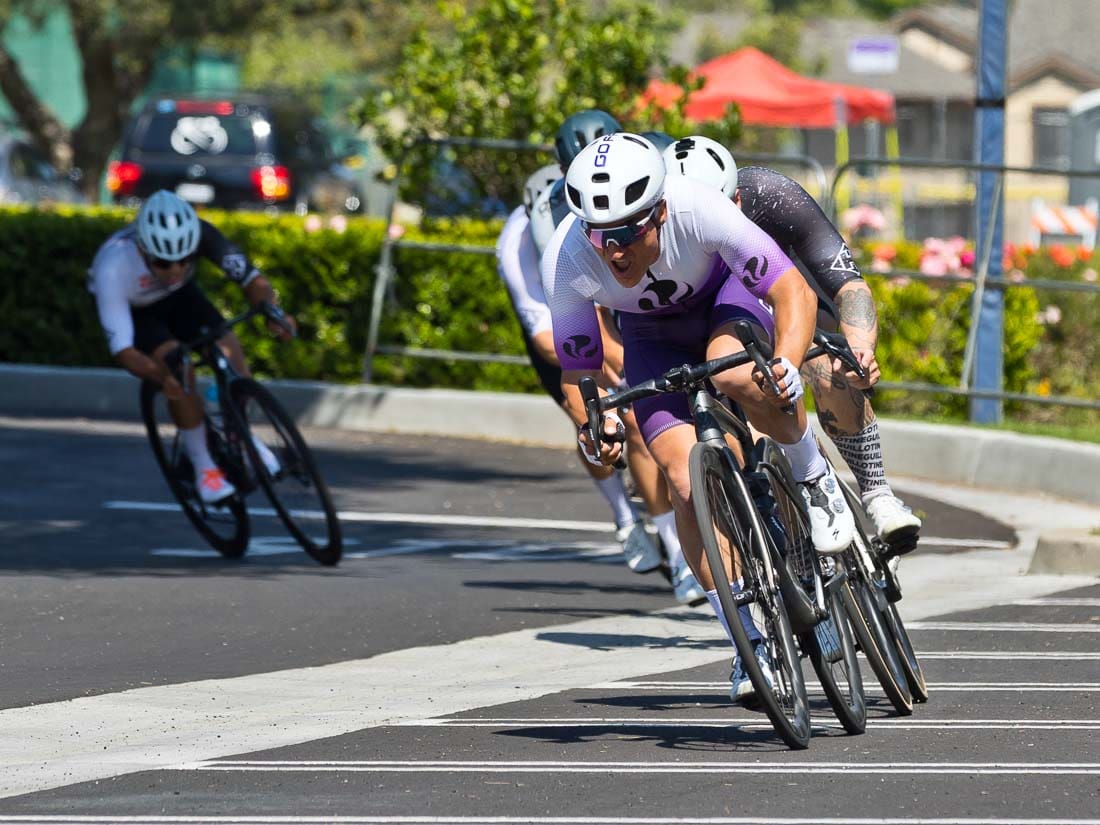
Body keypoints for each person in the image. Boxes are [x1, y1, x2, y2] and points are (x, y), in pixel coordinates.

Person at [541, 132, 855, 702]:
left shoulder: (698, 208)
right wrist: (593, 427)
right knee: (685, 482)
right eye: (598, 233)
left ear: (659, 211)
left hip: (724, 301)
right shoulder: (566, 260)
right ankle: (747, 645)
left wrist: (784, 363)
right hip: (651, 337)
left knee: (731, 373)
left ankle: (814, 478)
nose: (612, 250)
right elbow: (578, 373)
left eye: (627, 232)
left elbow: (793, 292)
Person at [661, 136, 921, 553]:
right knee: (736, 416)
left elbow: (846, 284)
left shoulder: (771, 195)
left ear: (739, 200)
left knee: (828, 366)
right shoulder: (657, 238)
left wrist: (859, 346)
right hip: (711, 321)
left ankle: (877, 493)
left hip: (775, 299)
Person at [497, 160, 706, 600]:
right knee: (603, 415)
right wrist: (617, 387)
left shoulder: (622, 211)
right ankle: (635, 523)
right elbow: (550, 341)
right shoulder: (521, 244)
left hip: (615, 291)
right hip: (560, 312)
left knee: (642, 404)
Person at [88, 190, 296, 505]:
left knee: (228, 348)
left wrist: (273, 312)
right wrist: (162, 378)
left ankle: (239, 436)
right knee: (177, 368)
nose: (174, 270)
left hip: (182, 298)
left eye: (184, 260)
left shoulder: (202, 235)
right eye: (162, 262)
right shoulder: (112, 269)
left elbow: (253, 280)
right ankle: (203, 467)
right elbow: (125, 352)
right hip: (138, 313)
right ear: (143, 249)